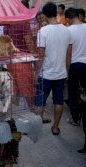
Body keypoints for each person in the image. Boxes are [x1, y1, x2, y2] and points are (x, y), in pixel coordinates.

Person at [35, 2, 71, 135]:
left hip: (46, 74)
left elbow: (41, 55)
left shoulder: (43, 31)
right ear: (56, 12)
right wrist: (66, 70)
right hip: (61, 73)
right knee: (58, 100)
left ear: (44, 15)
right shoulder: (67, 30)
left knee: (40, 101)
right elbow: (69, 54)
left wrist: (36, 73)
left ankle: (37, 129)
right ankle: (55, 127)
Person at [65, 7, 86, 152]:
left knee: (73, 93)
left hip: (74, 65)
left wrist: (66, 70)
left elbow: (68, 52)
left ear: (68, 18)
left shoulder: (68, 31)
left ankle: (76, 118)